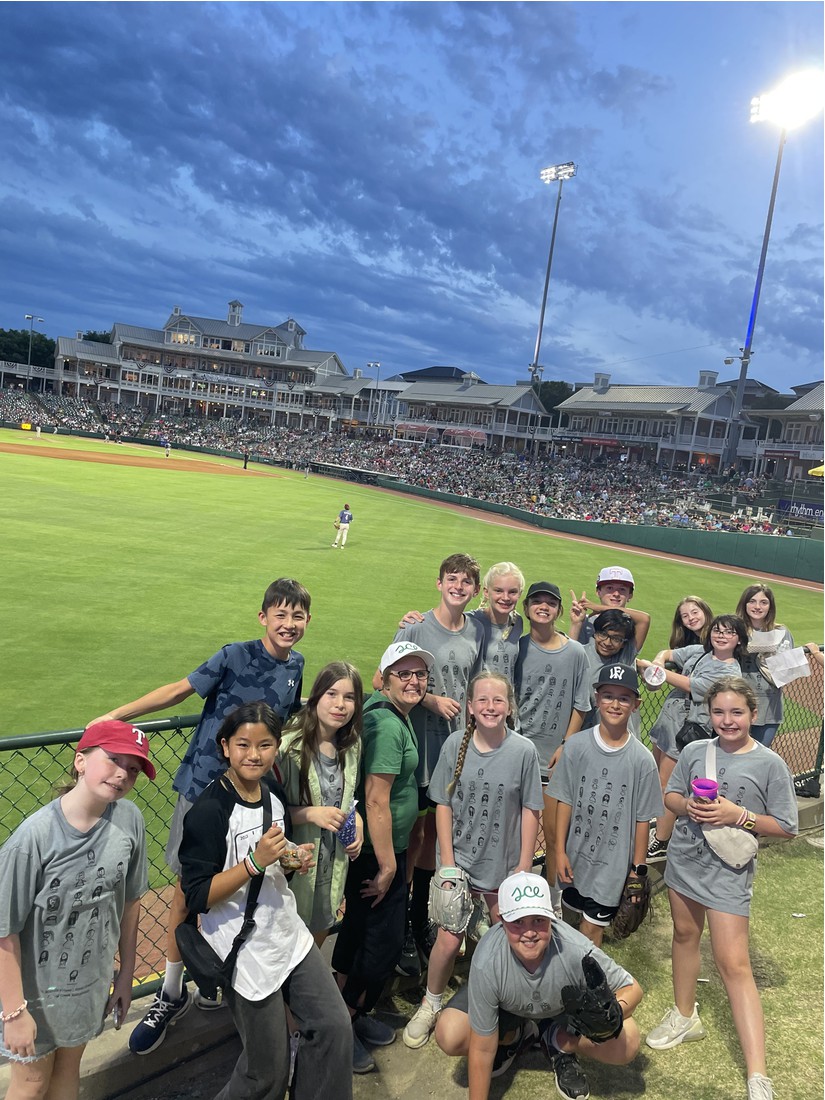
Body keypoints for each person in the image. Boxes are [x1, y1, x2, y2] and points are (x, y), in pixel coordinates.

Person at [90, 577, 311, 1054]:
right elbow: (178, 692)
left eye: (298, 616)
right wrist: (118, 717)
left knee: (246, 882)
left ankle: (220, 973)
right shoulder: (234, 654)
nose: (289, 624)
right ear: (263, 616)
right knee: (186, 894)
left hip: (255, 794)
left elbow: (286, 725)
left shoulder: (297, 666)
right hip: (206, 792)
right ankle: (170, 994)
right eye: (281, 614)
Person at [179, 701, 351, 1100]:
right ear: (225, 747)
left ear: (277, 747)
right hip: (243, 949)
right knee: (266, 1073)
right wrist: (254, 863)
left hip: (286, 933)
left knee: (334, 1027)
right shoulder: (208, 810)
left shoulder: (272, 793)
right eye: (243, 745)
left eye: (264, 745)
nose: (253, 755)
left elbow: (276, 855)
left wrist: (293, 858)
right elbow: (197, 895)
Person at [646, 677, 798, 1100]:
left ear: (753, 714)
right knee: (684, 935)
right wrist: (687, 806)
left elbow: (786, 826)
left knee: (734, 964)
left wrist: (739, 815)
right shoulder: (696, 751)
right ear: (708, 714)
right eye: (719, 712)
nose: (727, 721)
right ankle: (683, 1015)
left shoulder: (770, 764)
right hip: (685, 863)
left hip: (729, 874)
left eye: (736, 712)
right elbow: (671, 796)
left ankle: (757, 1074)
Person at [0, 721, 155, 1100]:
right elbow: (4, 931)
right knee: (32, 1084)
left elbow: (132, 901)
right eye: (113, 759)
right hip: (33, 993)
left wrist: (126, 974)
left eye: (133, 768)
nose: (122, 774)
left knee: (70, 1074)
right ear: (80, 761)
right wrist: (14, 1013)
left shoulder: (129, 819)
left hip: (89, 983)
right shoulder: (33, 839)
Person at [403, 671, 543, 1050]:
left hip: (504, 865)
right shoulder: (454, 745)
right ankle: (431, 1002)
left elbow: (531, 808)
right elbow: (443, 805)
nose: (490, 707)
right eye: (482, 700)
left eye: (498, 700)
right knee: (448, 941)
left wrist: (524, 865)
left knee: (505, 939)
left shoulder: (523, 751)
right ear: (469, 707)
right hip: (461, 862)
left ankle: (506, 1005)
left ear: (510, 707)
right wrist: (447, 862)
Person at [435, 871, 642, 1100]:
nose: (530, 932)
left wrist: (609, 1015)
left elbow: (632, 987)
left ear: (552, 918)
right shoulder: (487, 959)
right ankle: (514, 1036)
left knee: (627, 1041)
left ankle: (561, 1042)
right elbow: (482, 1048)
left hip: (563, 1012)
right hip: (508, 1010)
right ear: (502, 920)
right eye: (518, 921)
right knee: (449, 1033)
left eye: (538, 920)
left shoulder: (575, 949)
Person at [331, 642, 431, 1074]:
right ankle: (341, 1025)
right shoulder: (388, 726)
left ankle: (354, 1016)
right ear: (384, 677)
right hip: (377, 854)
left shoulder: (389, 713)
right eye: (403, 673)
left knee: (358, 933)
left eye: (420, 674)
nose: (413, 681)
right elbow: (375, 800)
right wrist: (391, 866)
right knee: (380, 944)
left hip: (382, 849)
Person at [388, 553, 485, 961]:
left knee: (432, 840)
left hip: (455, 752)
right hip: (417, 749)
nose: (458, 586)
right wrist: (428, 699)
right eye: (452, 578)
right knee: (411, 838)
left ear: (474, 590)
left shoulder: (476, 631)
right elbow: (383, 679)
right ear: (439, 582)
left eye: (465, 581)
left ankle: (420, 918)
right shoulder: (415, 627)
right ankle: (400, 926)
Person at [548, 664, 663, 946]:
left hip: (612, 866)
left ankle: (589, 986)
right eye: (608, 695)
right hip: (576, 857)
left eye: (624, 698)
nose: (615, 703)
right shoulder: (576, 746)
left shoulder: (642, 759)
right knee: (569, 919)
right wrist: (559, 851)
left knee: (592, 930)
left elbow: (642, 819)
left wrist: (638, 869)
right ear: (597, 699)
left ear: (636, 705)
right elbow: (565, 800)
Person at [640, 614, 747, 863]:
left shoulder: (730, 671)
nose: (721, 636)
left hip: (689, 728)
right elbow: (670, 654)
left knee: (668, 785)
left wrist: (655, 670)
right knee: (657, 777)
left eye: (729, 633)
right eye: (717, 631)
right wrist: (659, 660)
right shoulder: (700, 651)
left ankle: (662, 840)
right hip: (669, 722)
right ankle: (661, 827)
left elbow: (691, 684)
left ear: (739, 640)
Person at [514, 581, 590, 917]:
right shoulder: (517, 647)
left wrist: (566, 743)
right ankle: (511, 898)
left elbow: (581, 703)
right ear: (527, 608)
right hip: (517, 750)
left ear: (558, 610)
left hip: (554, 755)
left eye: (550, 603)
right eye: (537, 602)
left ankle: (552, 906)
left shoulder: (575, 652)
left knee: (553, 834)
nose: (543, 607)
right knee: (514, 831)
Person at [277, 662, 364, 945]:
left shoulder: (351, 745)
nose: (340, 705)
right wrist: (310, 814)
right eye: (332, 694)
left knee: (318, 939)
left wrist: (358, 820)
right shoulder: (288, 747)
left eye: (349, 697)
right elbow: (267, 813)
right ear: (316, 697)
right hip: (294, 870)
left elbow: (347, 797)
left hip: (330, 869)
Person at [398, 561, 525, 683]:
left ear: (520, 593)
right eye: (498, 590)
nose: (505, 597)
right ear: (486, 592)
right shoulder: (472, 622)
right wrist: (414, 622)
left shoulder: (516, 622)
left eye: (512, 592)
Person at [735, 584, 794, 747]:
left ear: (770, 606)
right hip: (736, 703)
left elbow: (786, 674)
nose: (757, 607)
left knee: (757, 758)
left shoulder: (781, 631)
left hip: (768, 707)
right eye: (752, 601)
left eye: (763, 602)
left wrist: (766, 656)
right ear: (744, 604)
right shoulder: (734, 629)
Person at [570, 566, 650, 652]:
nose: (616, 593)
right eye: (610, 588)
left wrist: (601, 608)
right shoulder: (584, 621)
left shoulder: (632, 624)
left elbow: (645, 619)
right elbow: (571, 655)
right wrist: (576, 624)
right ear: (598, 592)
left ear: (630, 595)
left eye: (622, 589)